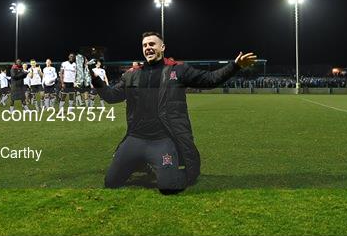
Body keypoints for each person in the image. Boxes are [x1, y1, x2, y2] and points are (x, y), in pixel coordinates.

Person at [91, 31, 256, 194]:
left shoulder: (178, 70)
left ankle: (158, 165)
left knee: (169, 186)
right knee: (111, 182)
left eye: (152, 44)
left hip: (162, 140)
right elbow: (112, 97)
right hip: (136, 138)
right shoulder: (131, 75)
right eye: (144, 45)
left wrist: (235, 65)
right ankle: (143, 163)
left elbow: (210, 79)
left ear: (162, 47)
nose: (148, 47)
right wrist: (95, 80)